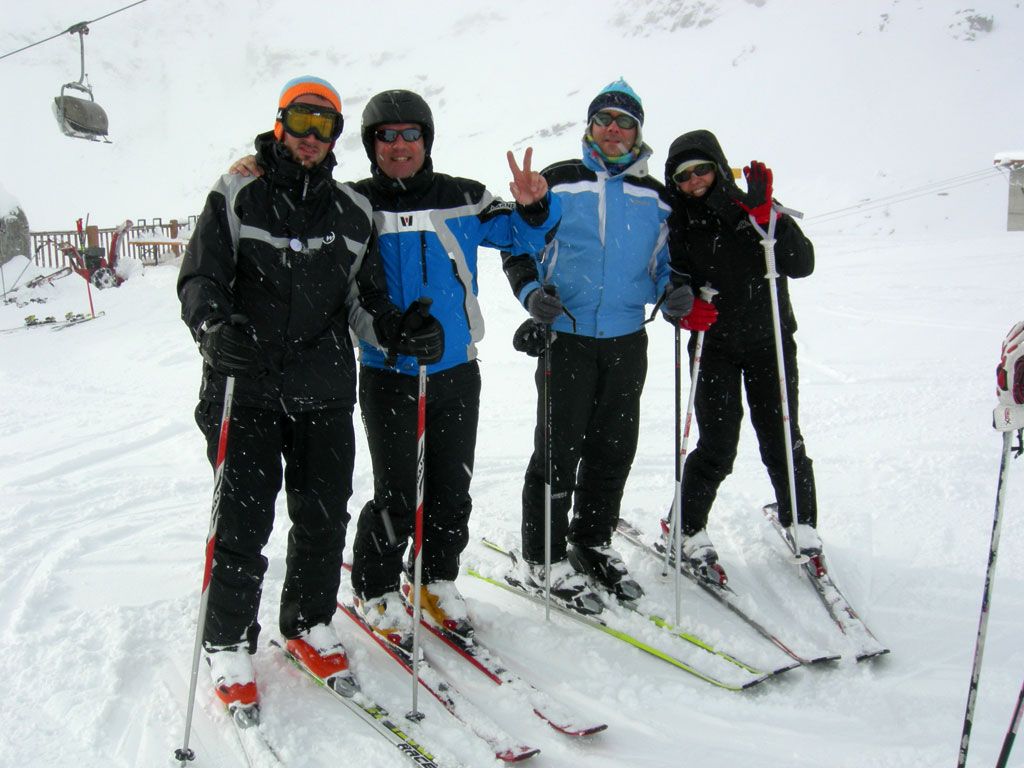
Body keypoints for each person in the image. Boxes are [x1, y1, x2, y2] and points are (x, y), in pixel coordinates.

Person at [226, 89, 560, 644]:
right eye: (387, 136)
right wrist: (256, 165)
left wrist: (532, 205)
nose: (400, 146)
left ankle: (435, 578)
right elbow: (294, 192)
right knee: (398, 491)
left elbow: (521, 236)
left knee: (452, 488)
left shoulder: (464, 197)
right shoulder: (351, 201)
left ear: (427, 140)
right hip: (387, 370)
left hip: (456, 366)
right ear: (370, 144)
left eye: (411, 135)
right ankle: (378, 585)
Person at [178, 76, 406, 709]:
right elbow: (201, 277)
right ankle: (227, 639)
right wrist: (213, 327)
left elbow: (367, 301)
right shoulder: (237, 192)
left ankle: (307, 621)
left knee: (322, 514)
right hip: (244, 387)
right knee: (243, 518)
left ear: (335, 137)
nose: (311, 137)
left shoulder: (353, 213)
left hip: (325, 390)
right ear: (280, 125)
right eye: (301, 123)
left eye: (324, 126)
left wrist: (393, 327)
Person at [502, 78, 693, 610]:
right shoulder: (556, 183)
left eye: (624, 121)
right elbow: (518, 248)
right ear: (589, 127)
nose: (614, 128)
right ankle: (541, 557)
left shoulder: (656, 198)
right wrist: (529, 293)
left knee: (614, 449)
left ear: (637, 133)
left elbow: (661, 265)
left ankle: (590, 541)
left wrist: (671, 291)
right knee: (557, 453)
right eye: (604, 118)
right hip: (568, 339)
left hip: (628, 340)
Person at [661, 128, 819, 583]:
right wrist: (685, 308)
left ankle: (801, 520)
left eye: (701, 170)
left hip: (770, 340)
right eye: (683, 176)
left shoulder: (752, 207)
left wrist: (772, 220)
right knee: (718, 445)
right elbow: (670, 284)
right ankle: (685, 526)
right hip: (715, 347)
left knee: (782, 436)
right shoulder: (677, 224)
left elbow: (802, 263)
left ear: (717, 165)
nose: (694, 181)